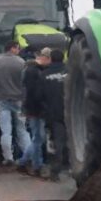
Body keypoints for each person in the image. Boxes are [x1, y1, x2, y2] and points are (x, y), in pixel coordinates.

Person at [0, 41, 32, 168]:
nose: (18, 51)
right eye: (17, 48)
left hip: (1, 99)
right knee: (22, 129)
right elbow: (26, 83)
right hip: (18, 100)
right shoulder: (22, 63)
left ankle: (8, 158)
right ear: (12, 48)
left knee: (6, 130)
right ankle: (28, 155)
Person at [19, 47, 51, 175]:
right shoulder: (34, 71)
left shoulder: (31, 70)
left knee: (38, 137)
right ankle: (35, 163)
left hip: (33, 108)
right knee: (39, 137)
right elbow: (33, 92)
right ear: (45, 58)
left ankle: (26, 161)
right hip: (35, 109)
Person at [40, 49, 67, 181]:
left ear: (51, 59)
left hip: (53, 113)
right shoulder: (71, 72)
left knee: (56, 142)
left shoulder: (44, 74)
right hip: (71, 111)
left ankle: (55, 171)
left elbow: (38, 95)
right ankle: (70, 166)